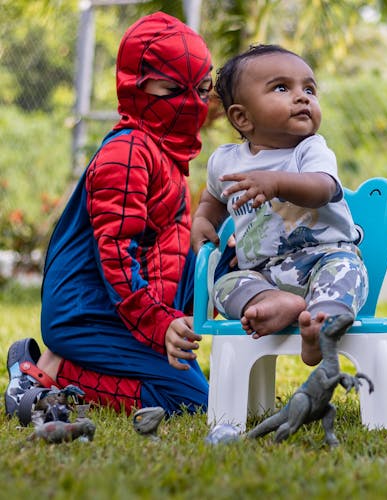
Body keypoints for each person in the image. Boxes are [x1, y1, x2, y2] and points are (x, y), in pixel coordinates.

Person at [4, 12, 213, 425]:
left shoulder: (166, 154)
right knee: (191, 401)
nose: (191, 104)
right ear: (136, 86)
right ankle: (48, 373)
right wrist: (158, 325)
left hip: (129, 311)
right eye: (173, 89)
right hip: (89, 311)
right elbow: (116, 251)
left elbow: (169, 248)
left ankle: (69, 360)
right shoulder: (129, 151)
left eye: (202, 90)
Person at [191, 44, 368, 366]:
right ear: (242, 117)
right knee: (225, 285)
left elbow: (323, 189)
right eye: (282, 88)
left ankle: (323, 322)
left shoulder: (310, 150)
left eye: (310, 89)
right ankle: (273, 302)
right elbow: (213, 199)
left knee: (347, 272)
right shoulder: (225, 162)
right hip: (261, 272)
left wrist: (276, 184)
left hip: (323, 260)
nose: (303, 97)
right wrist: (204, 220)